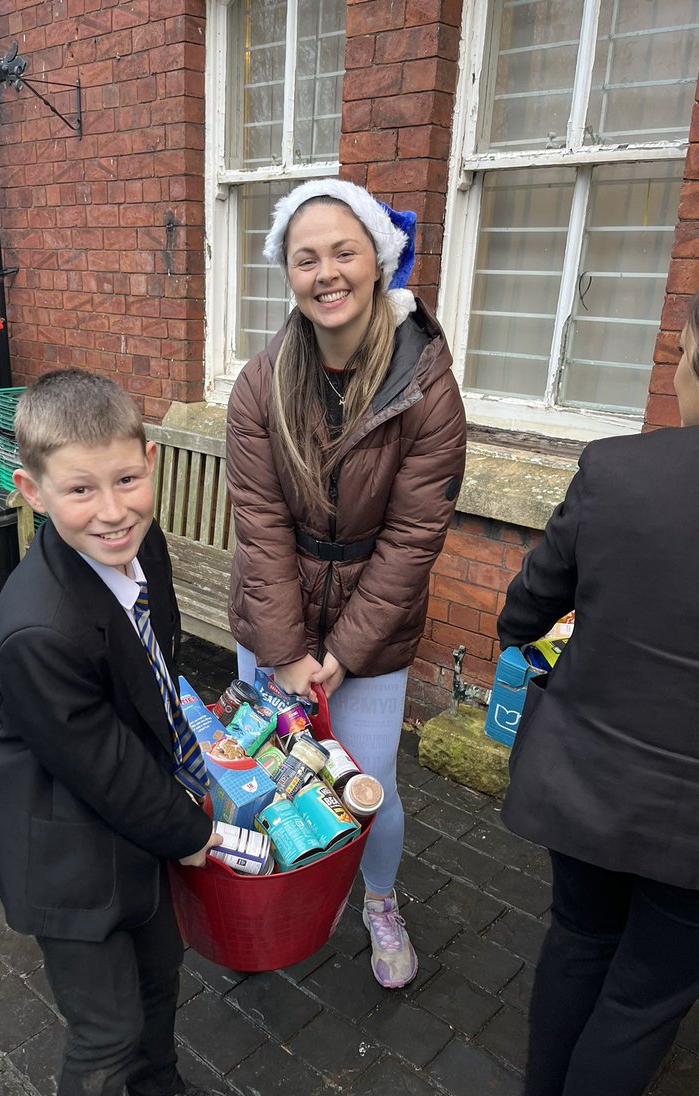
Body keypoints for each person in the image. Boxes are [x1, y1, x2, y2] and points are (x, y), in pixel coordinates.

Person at [0, 370, 249, 1096]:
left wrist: (193, 765)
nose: (112, 508)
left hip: (130, 819)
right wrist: (196, 833)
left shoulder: (133, 541)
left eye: (126, 479)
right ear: (32, 491)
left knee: (158, 974)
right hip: (63, 847)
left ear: (148, 462)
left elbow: (154, 675)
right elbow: (101, 768)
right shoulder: (41, 629)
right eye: (80, 489)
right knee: (107, 1025)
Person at [226, 181, 466, 988]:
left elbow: (412, 538)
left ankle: (377, 901)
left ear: (377, 262)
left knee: (370, 784)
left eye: (343, 251)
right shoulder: (260, 383)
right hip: (273, 614)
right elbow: (258, 524)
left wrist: (343, 654)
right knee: (270, 772)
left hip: (375, 627)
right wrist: (288, 651)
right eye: (305, 257)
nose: (325, 272)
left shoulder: (427, 385)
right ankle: (274, 894)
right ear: (287, 274)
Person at [498, 282, 699, 1096]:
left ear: (698, 357)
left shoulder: (619, 469)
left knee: (580, 937)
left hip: (587, 773)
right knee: (647, 987)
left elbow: (528, 608)